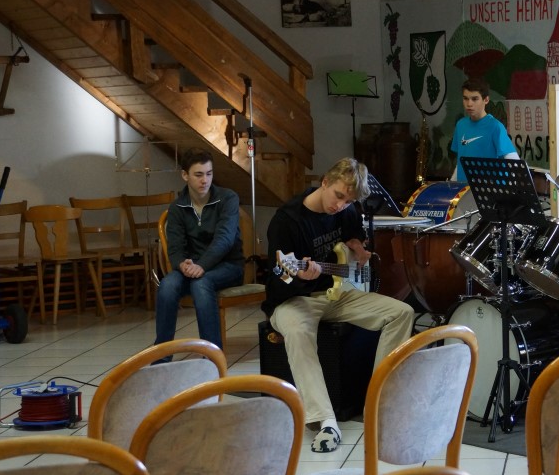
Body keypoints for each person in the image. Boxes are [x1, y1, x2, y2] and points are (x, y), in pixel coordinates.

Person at [264, 158, 416, 453]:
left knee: (402, 312)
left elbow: (353, 234)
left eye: (348, 201)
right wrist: (302, 275)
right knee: (297, 331)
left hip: (338, 294)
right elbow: (279, 278)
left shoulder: (346, 210)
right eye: (338, 196)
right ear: (324, 182)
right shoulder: (287, 221)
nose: (341, 205)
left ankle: (379, 403)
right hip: (294, 299)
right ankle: (325, 421)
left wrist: (357, 246)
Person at [156, 148, 244, 351]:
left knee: (201, 283)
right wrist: (182, 264)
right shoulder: (177, 207)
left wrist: (201, 266)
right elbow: (175, 248)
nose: (205, 180)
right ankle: (162, 357)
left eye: (209, 174)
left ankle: (212, 356)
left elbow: (225, 240)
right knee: (167, 285)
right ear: (185, 175)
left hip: (228, 266)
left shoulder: (228, 198)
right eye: (198, 175)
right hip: (193, 267)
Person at [450, 78, 519, 183]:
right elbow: (460, 162)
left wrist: (503, 189)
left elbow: (514, 163)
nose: (469, 104)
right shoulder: (460, 125)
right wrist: (451, 183)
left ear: (486, 100)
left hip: (488, 190)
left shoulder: (495, 127)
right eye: (465, 98)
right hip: (464, 189)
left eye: (474, 99)